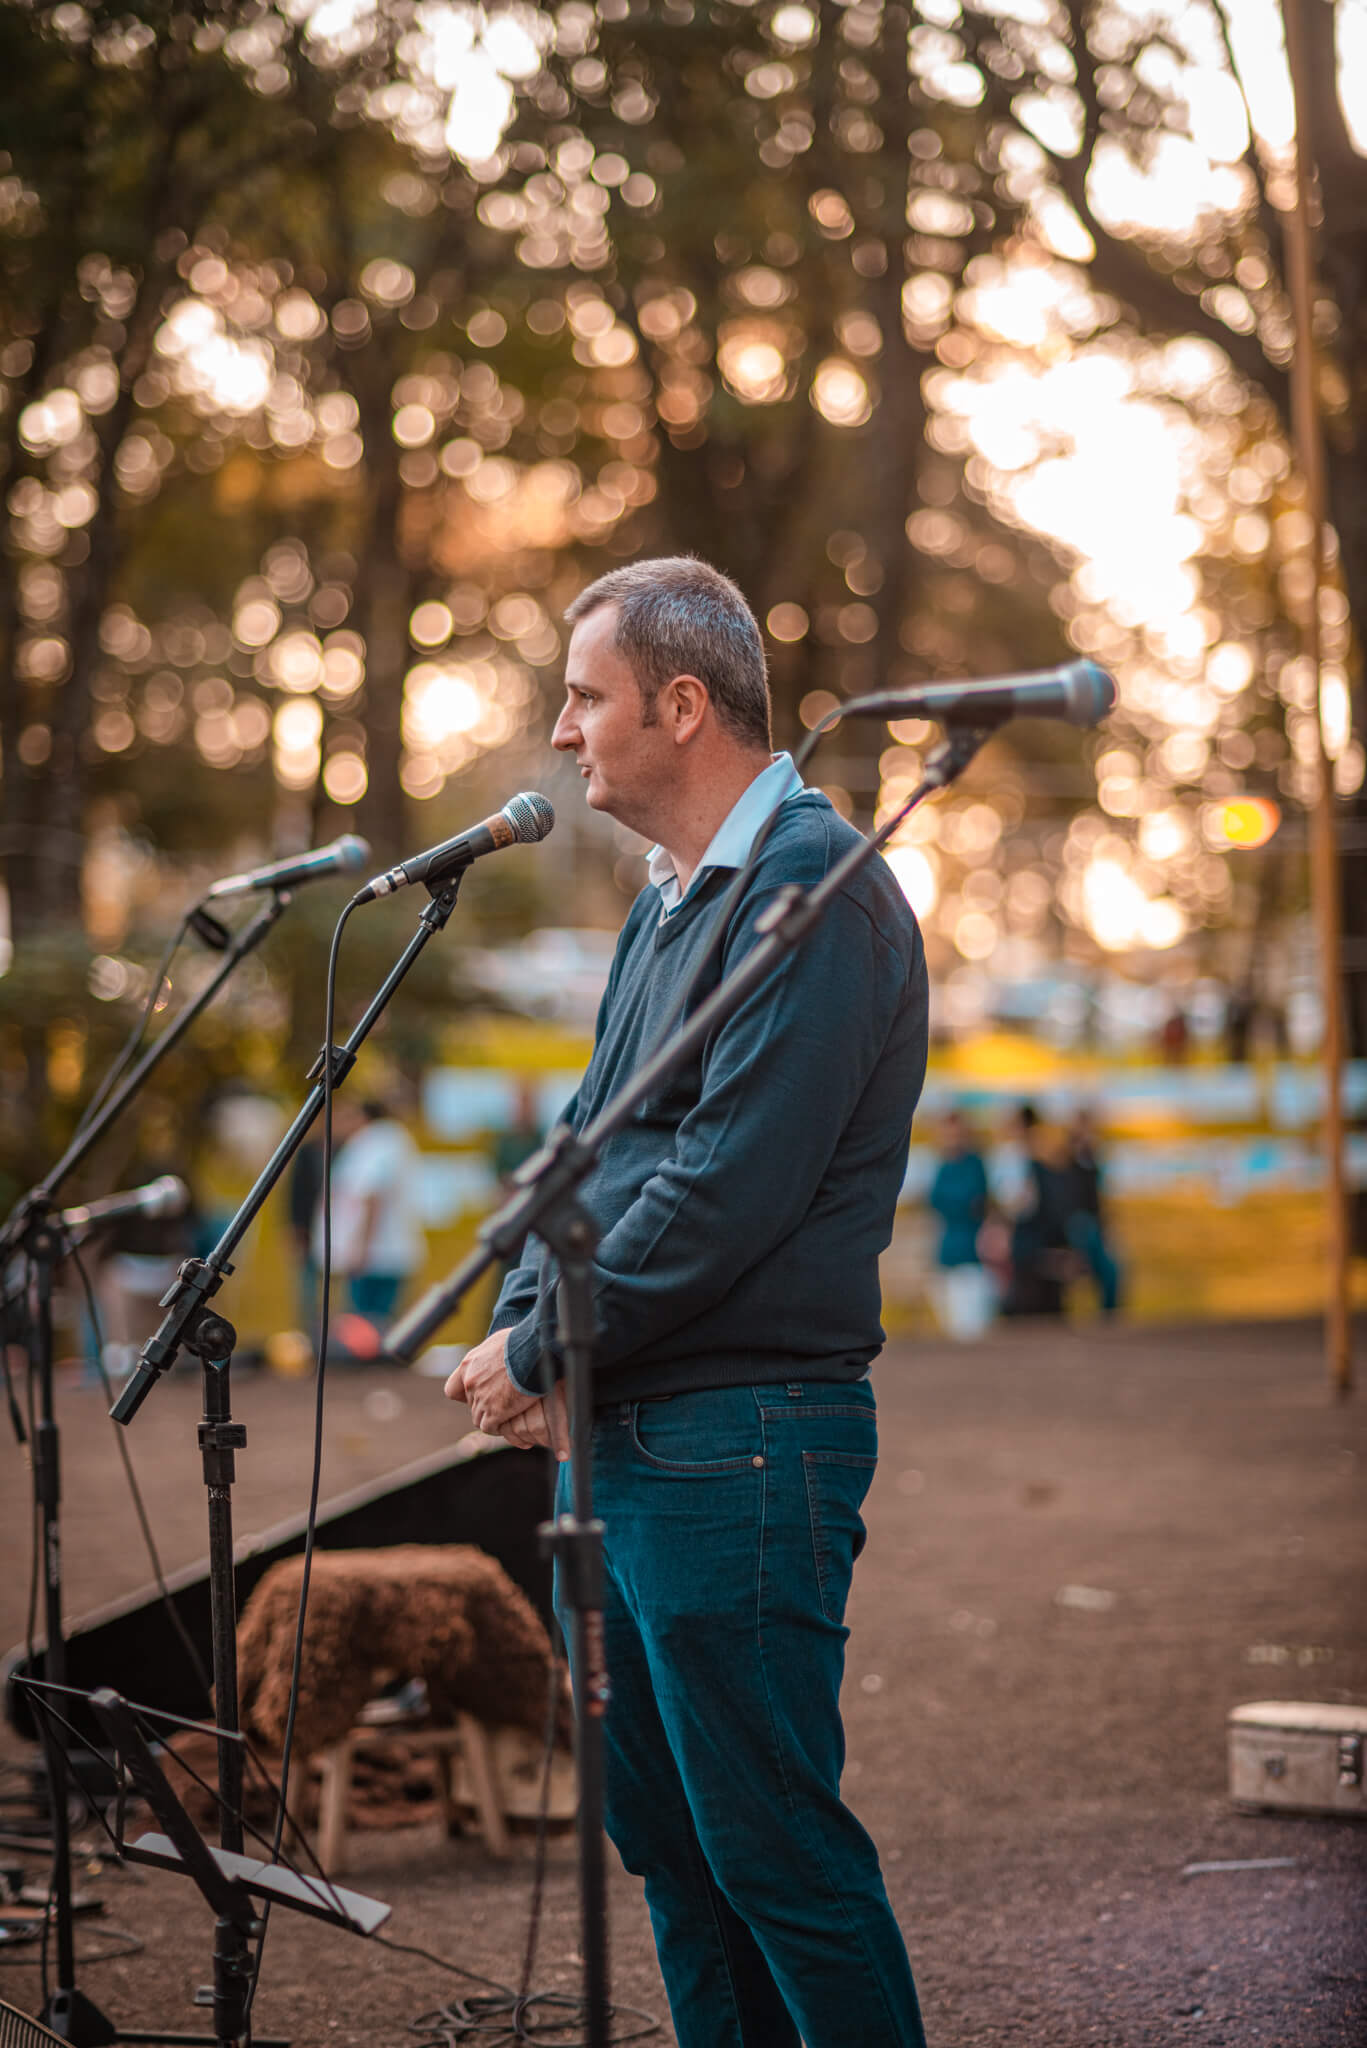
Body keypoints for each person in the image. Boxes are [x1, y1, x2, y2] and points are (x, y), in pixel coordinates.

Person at [446, 557, 929, 2047]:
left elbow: (726, 1184)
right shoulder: (670, 905)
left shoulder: (811, 891)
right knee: (669, 1852)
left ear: (678, 702)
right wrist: (534, 1320)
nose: (558, 732)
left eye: (582, 697)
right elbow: (588, 1145)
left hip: (742, 1440)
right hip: (635, 1432)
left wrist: (535, 1345)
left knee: (771, 1850)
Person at [313, 1095, 425, 1326]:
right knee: (382, 1324)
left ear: (363, 1117)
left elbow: (372, 1195)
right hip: (392, 1251)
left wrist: (360, 1246)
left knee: (364, 1327)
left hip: (374, 1255)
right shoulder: (396, 1140)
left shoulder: (373, 1144)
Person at [926, 1107, 994, 1339]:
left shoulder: (974, 1164)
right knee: (952, 1329)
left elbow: (970, 1201)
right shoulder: (943, 1165)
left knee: (970, 1330)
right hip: (947, 1256)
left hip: (972, 1255)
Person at [1063, 1106, 1122, 1316]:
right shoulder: (1067, 1160)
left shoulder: (1092, 1161)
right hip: (1076, 1225)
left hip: (1092, 1224)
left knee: (1112, 1269)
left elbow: (1099, 1202)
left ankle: (1109, 1314)